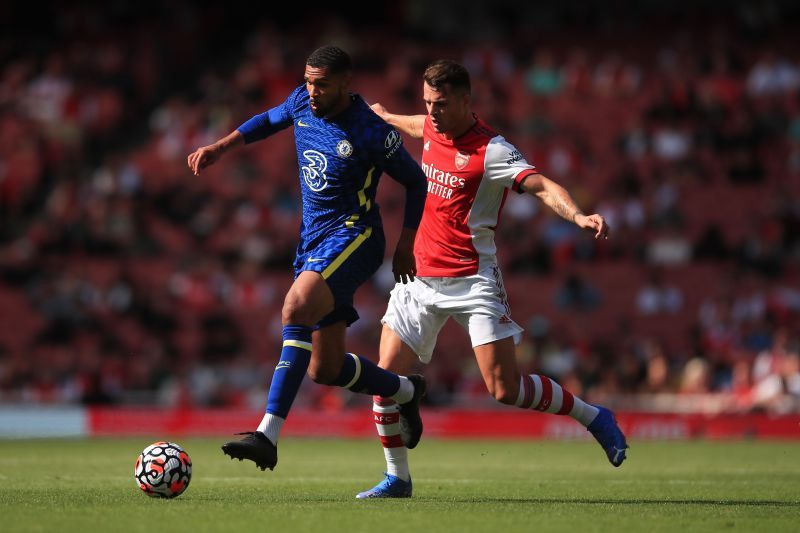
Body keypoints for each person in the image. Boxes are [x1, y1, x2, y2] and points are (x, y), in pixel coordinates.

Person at [357, 60, 628, 499]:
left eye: (441, 104)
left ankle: (594, 417)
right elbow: (414, 125)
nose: (434, 113)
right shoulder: (431, 126)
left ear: (466, 100)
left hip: (472, 279)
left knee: (504, 389)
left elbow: (540, 185)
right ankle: (398, 477)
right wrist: (385, 116)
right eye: (428, 103)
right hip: (418, 278)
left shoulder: (494, 150)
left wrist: (578, 214)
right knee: (383, 379)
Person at [187, 45, 427, 472]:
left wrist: (406, 244)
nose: (312, 91)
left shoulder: (370, 130)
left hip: (356, 235)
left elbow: (415, 181)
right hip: (313, 241)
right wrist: (220, 147)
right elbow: (267, 121)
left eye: (322, 84)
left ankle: (267, 434)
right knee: (326, 369)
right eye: (309, 81)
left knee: (295, 307)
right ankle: (406, 392)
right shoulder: (301, 100)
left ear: (345, 83)